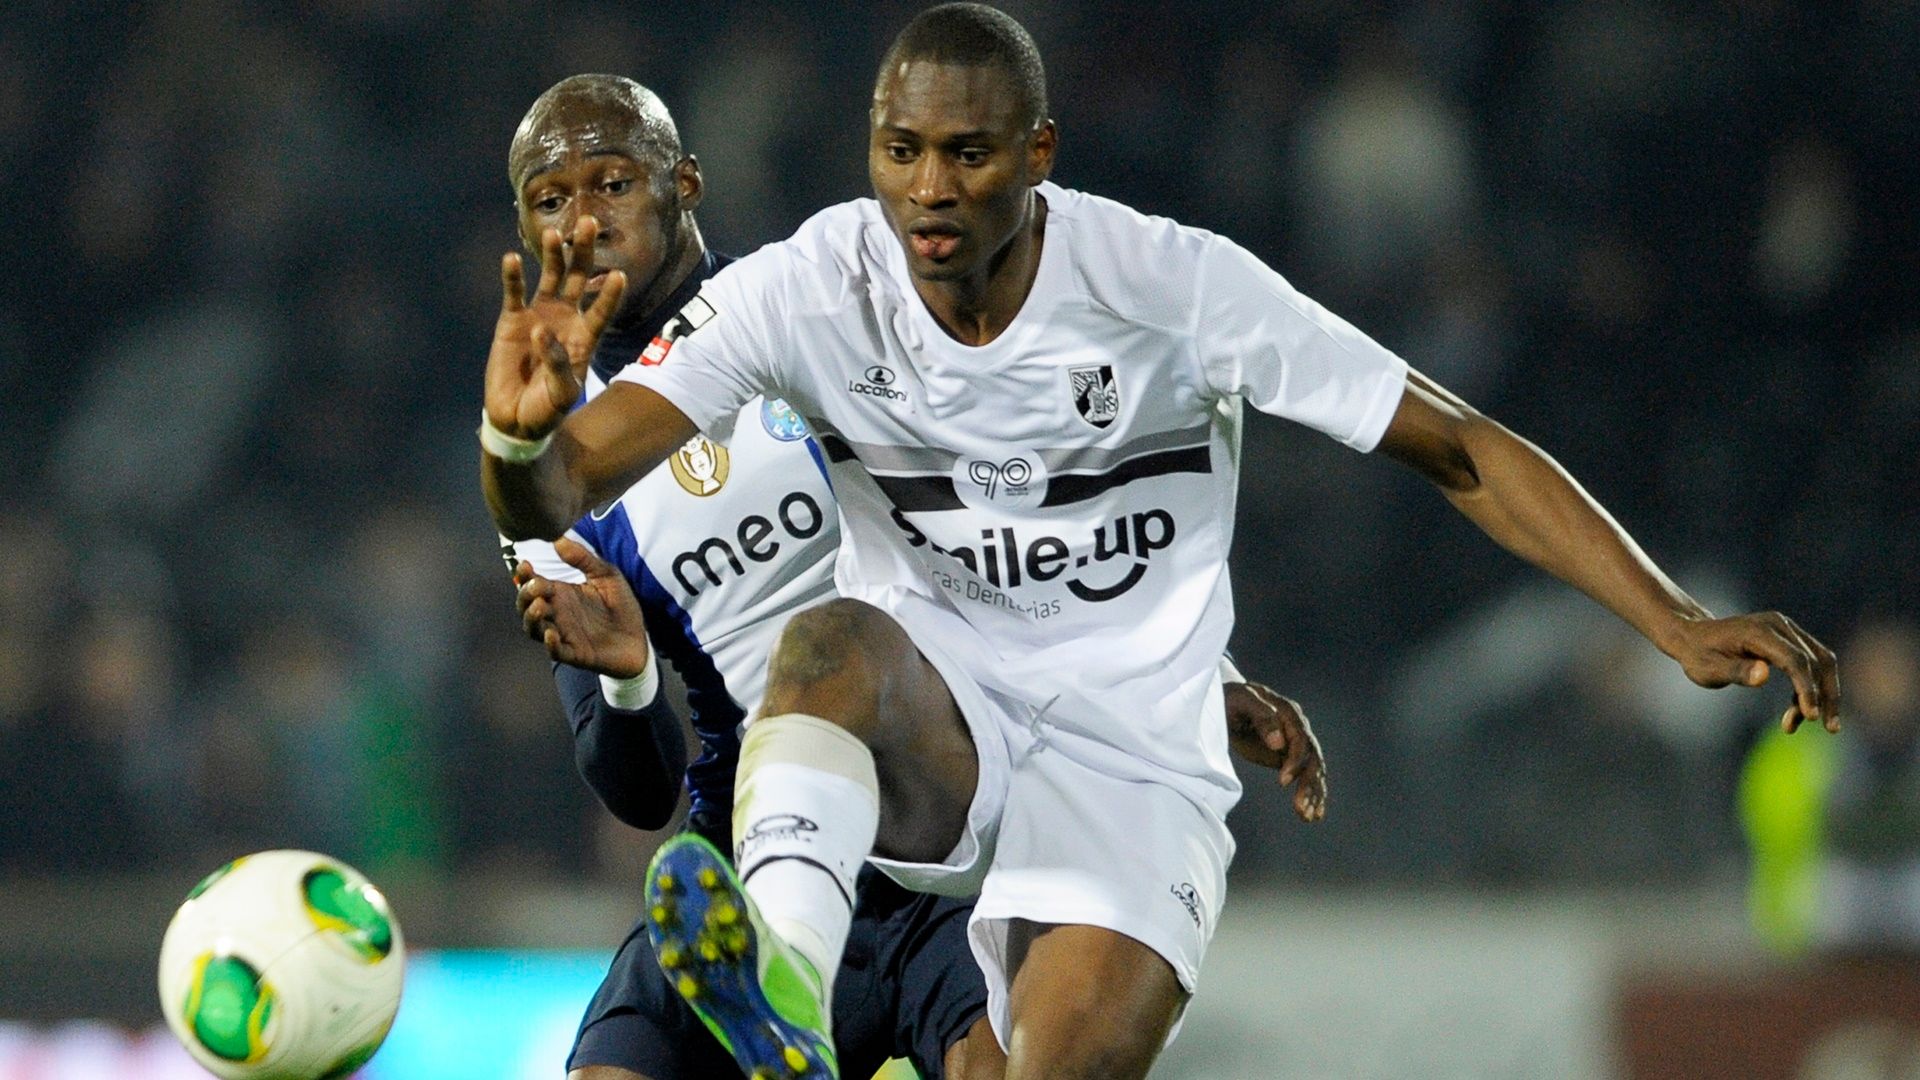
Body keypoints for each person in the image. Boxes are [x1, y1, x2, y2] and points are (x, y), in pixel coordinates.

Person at [478, 7, 1840, 1078]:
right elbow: (565, 488)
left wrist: (1670, 618)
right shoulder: (812, 286)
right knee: (831, 644)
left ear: (1040, 154)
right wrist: (518, 440)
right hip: (939, 722)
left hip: (1131, 756)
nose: (930, 190)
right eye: (901, 151)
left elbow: (1458, 445)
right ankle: (784, 982)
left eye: (969, 154)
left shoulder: (1170, 286)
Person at [494, 73, 1327, 1080]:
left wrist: (1198, 672)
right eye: (551, 199)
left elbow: (1032, 526)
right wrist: (629, 680)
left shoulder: (813, 314)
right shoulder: (544, 463)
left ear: (686, 183)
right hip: (761, 840)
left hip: (943, 811)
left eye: (613, 184)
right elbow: (638, 795)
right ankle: (784, 979)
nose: (584, 223)